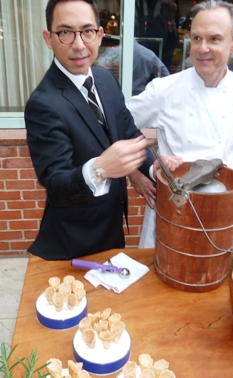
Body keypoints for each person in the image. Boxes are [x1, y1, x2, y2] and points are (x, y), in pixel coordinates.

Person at [127, 0, 233, 248]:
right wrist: (136, 177)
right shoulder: (163, 90)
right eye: (196, 38)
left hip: (219, 210)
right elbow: (118, 127)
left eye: (214, 39)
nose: (202, 48)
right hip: (170, 207)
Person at [25, 0, 156, 260]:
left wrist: (155, 169)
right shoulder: (43, 103)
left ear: (99, 36)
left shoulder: (106, 80)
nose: (78, 44)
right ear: (48, 38)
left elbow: (128, 131)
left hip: (112, 230)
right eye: (65, 32)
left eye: (87, 31)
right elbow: (56, 184)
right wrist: (100, 170)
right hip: (72, 243)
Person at [95, 40, 170, 96]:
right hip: (139, 97)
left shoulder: (116, 51)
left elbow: (99, 66)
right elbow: (165, 75)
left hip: (116, 94)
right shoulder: (148, 54)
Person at [144, 0, 179, 70]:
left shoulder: (169, 24)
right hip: (156, 63)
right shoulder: (154, 24)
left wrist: (173, 30)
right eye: (172, 11)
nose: (174, 14)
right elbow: (153, 45)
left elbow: (175, 41)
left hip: (165, 63)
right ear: (165, 11)